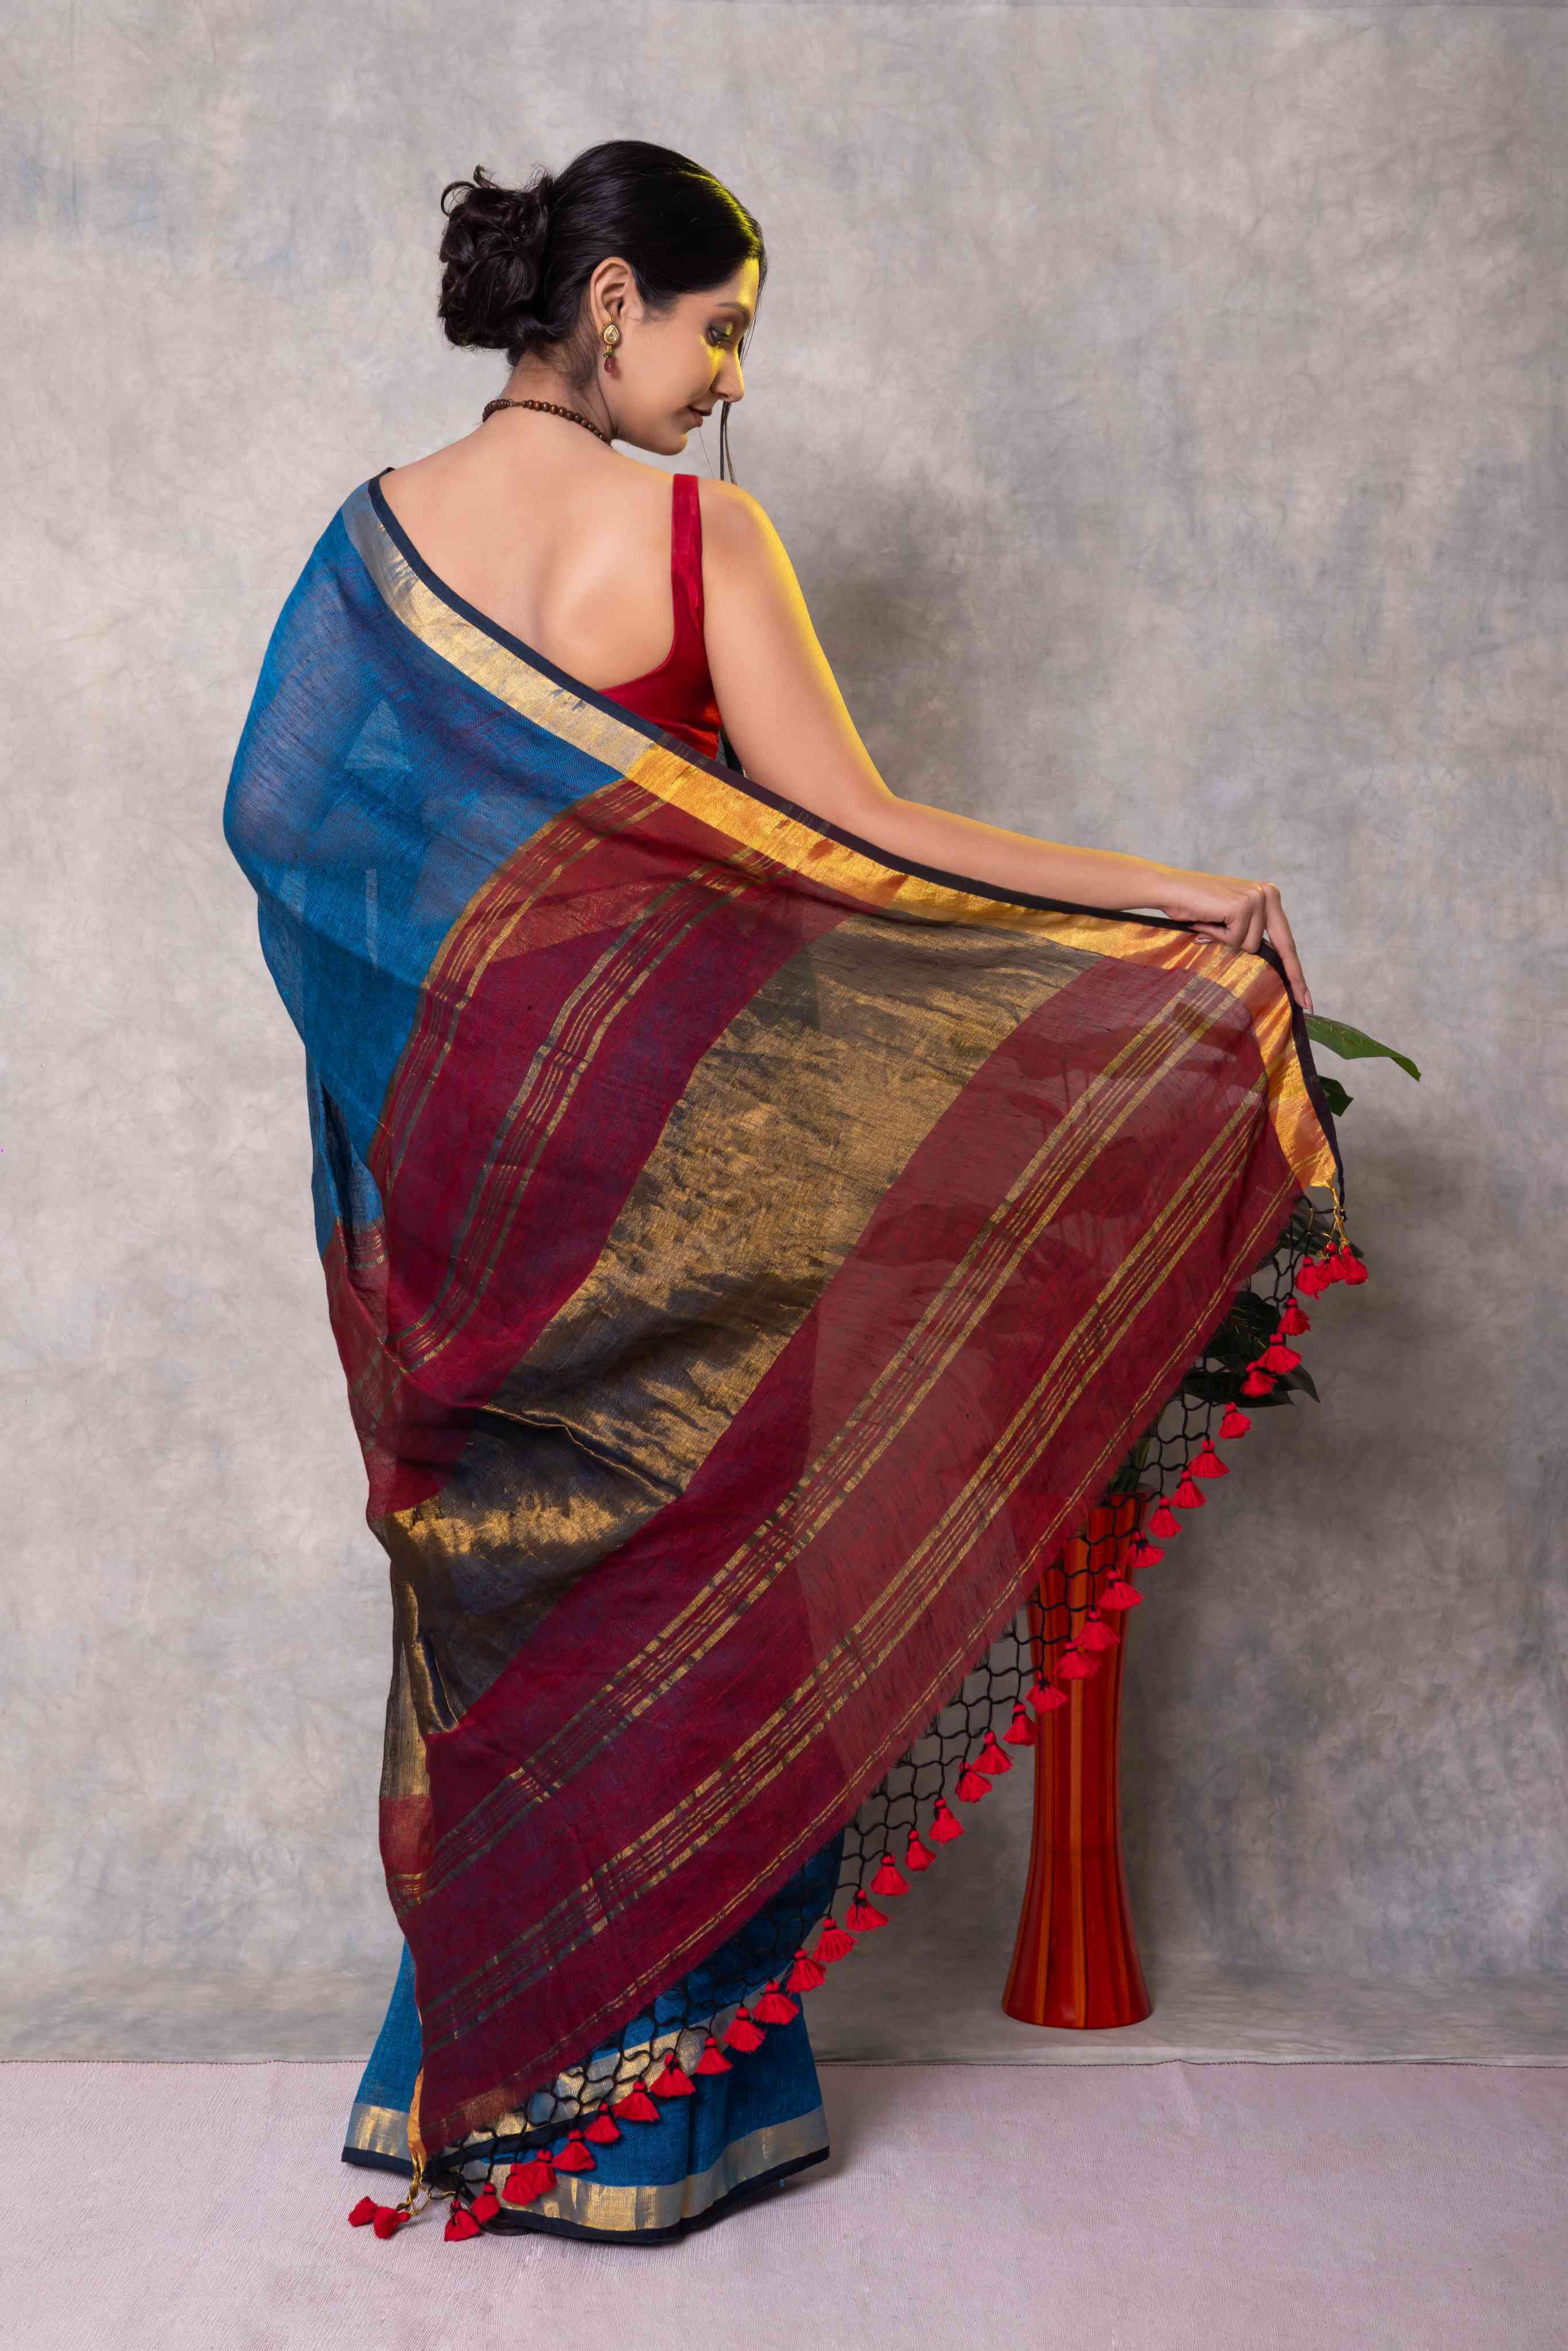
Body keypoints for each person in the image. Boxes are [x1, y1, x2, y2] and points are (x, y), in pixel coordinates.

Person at [224, 136, 1345, 2247]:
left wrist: (436, 1012)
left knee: (529, 1603)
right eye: (718, 328)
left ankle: (476, 2098)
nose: (729, 381)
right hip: (695, 1159)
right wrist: (1188, 899)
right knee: (710, 1591)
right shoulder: (690, 533)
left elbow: (280, 818)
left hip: (478, 1176)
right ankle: (659, 2123)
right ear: (616, 299)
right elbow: (874, 839)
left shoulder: (371, 542)